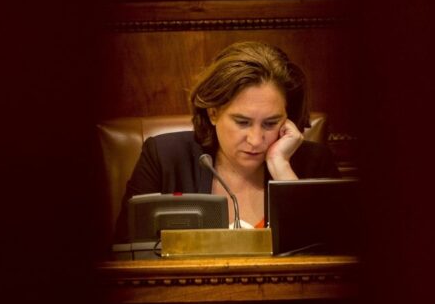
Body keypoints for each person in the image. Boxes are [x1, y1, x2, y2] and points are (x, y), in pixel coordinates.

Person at [113, 41, 340, 243]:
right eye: (242, 122)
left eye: (271, 123)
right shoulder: (163, 157)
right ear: (213, 113)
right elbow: (123, 253)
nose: (255, 139)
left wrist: (282, 171)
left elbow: (332, 261)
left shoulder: (314, 163)